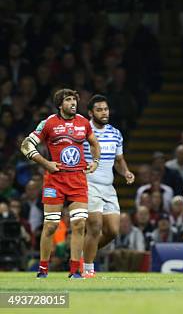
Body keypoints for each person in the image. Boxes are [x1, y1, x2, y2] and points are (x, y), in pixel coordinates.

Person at [20, 88, 100, 278]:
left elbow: (94, 143)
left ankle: (75, 271)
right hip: (55, 180)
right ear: (59, 104)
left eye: (74, 100)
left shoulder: (83, 123)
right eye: (68, 100)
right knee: (51, 225)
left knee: (80, 223)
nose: (73, 103)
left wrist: (95, 162)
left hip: (78, 179)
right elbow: (26, 145)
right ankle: (43, 270)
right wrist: (46, 163)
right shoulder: (48, 123)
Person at [82, 95, 135, 278]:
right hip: (88, 184)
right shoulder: (83, 132)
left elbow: (118, 160)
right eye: (99, 110)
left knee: (112, 231)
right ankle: (87, 269)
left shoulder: (115, 133)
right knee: (95, 226)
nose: (104, 113)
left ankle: (80, 254)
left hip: (108, 187)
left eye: (106, 109)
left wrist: (126, 172)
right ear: (90, 113)